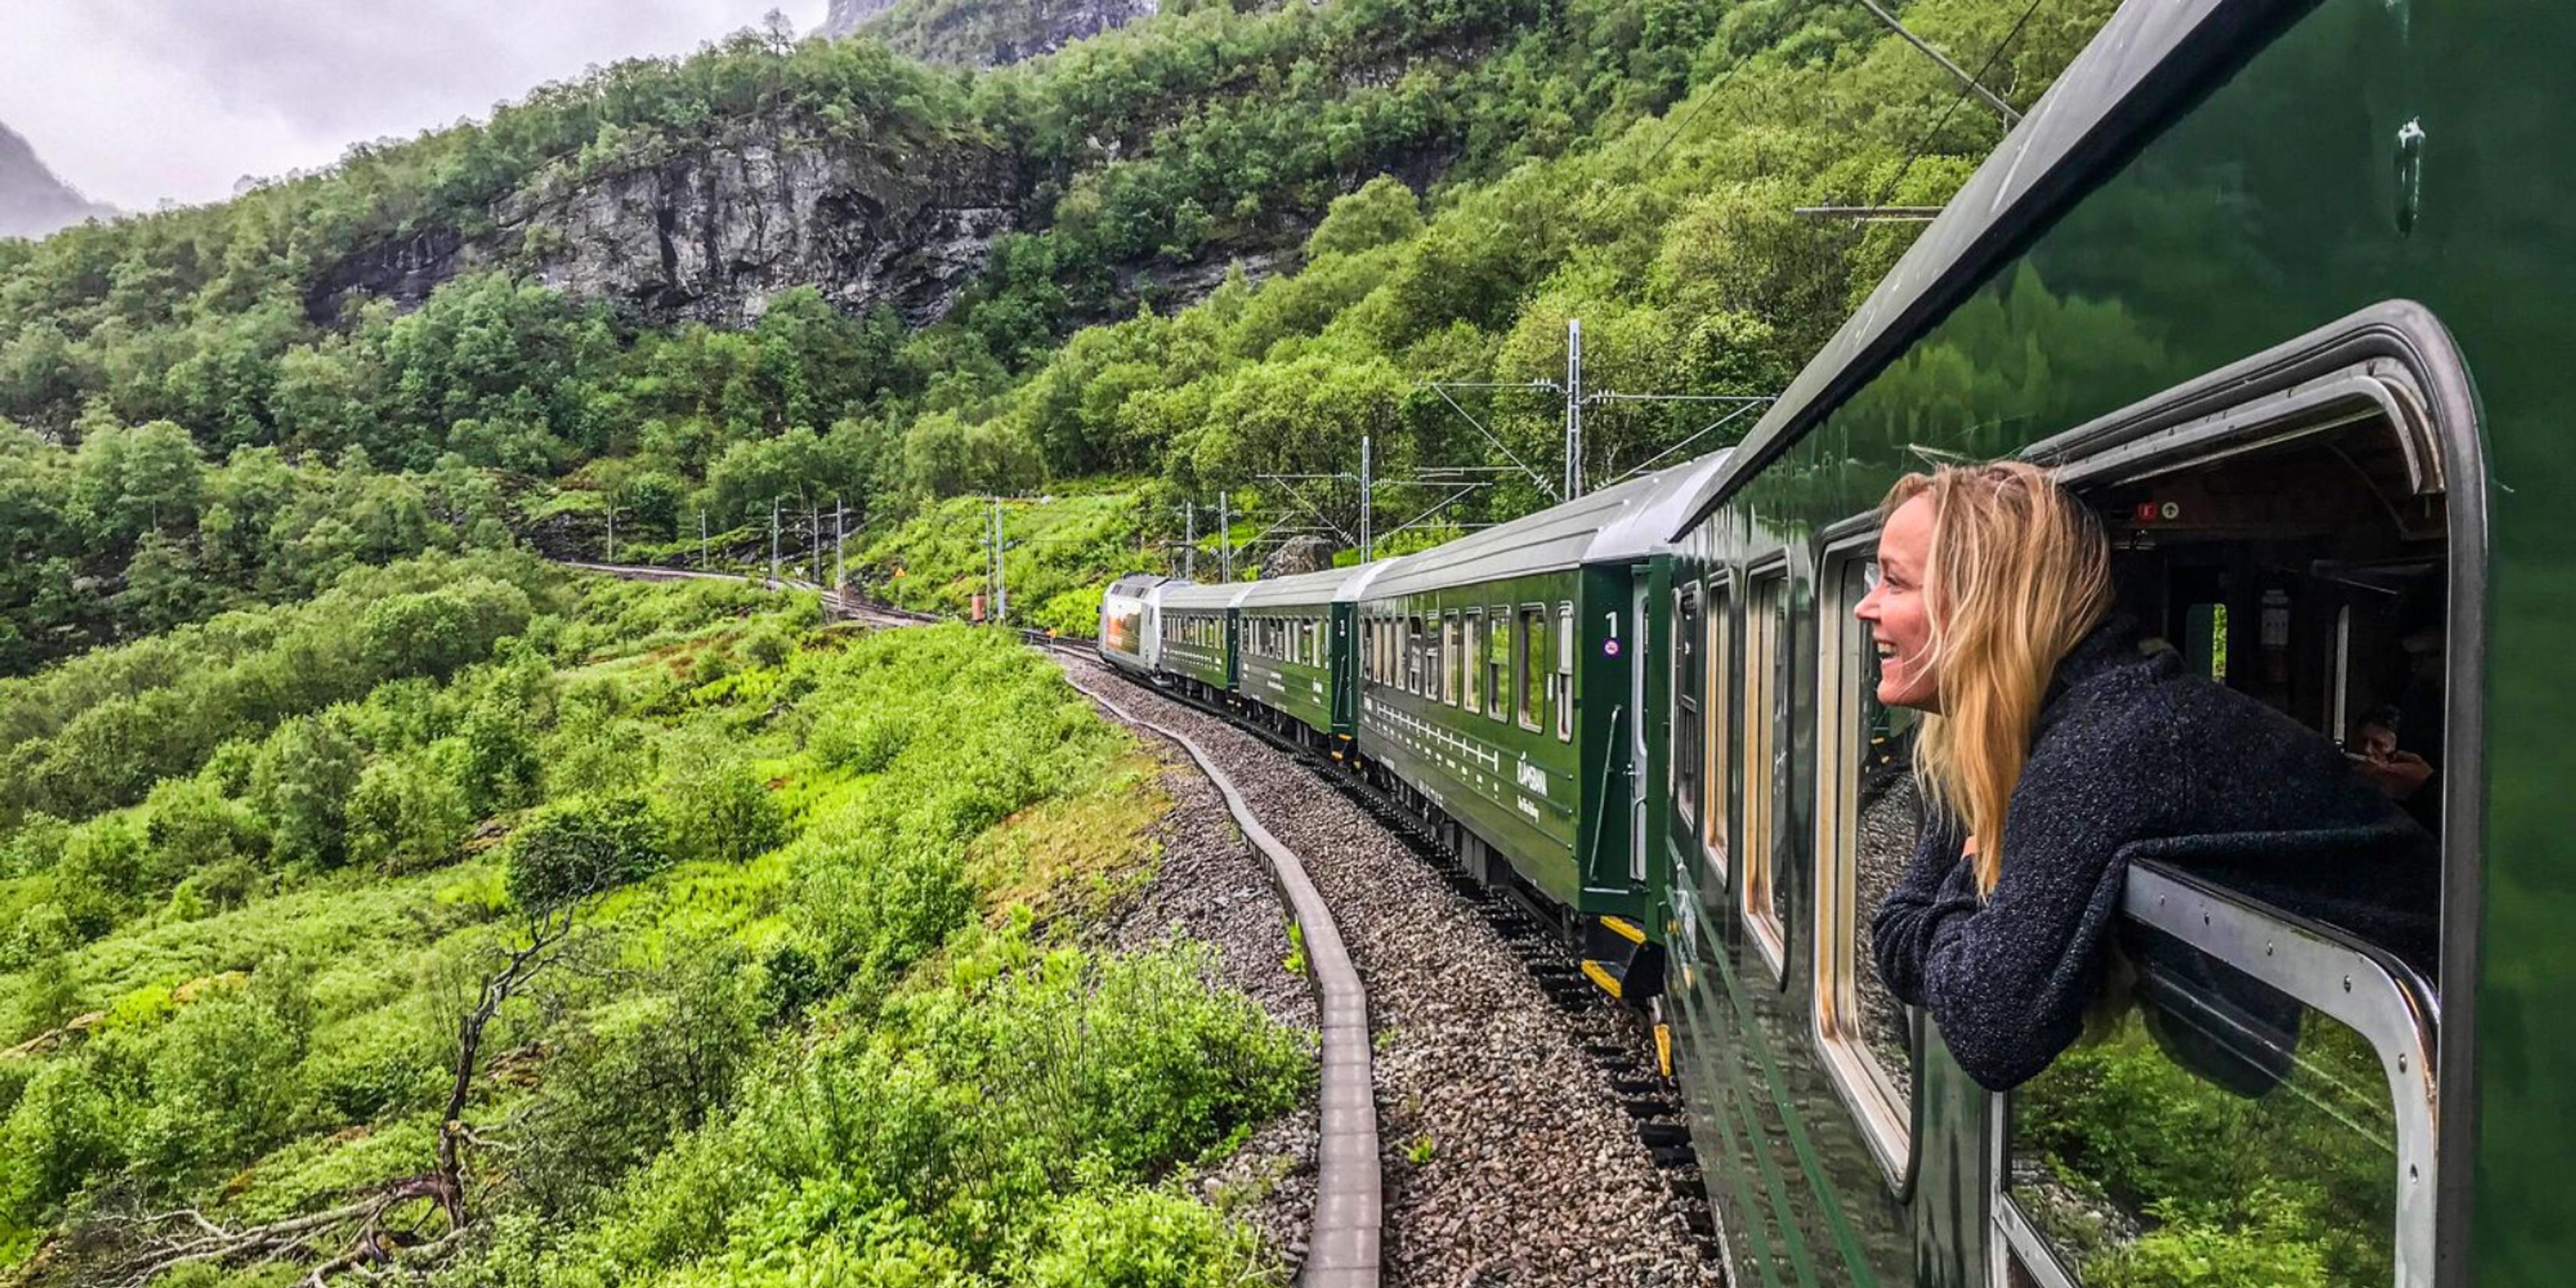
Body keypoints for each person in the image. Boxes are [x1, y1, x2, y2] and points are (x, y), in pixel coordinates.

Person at [1860, 462, 2438, 1092]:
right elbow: (1894, 930)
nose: (1867, 608)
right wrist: (1970, 920)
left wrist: (1973, 880)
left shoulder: (2111, 744)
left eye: (1895, 582)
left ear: (1985, 606)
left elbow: (1988, 1030)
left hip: (2446, 1049)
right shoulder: (2023, 730)